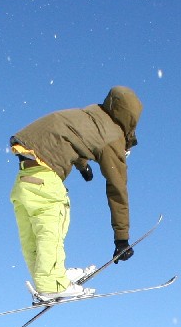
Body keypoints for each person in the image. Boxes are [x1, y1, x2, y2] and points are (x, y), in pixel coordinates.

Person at [8, 86, 142, 302]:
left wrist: (82, 165)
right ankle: (51, 284)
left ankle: (50, 277)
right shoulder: (113, 137)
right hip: (45, 177)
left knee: (34, 230)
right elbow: (118, 190)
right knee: (54, 222)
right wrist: (122, 239)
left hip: (25, 176)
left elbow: (70, 134)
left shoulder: (93, 114)